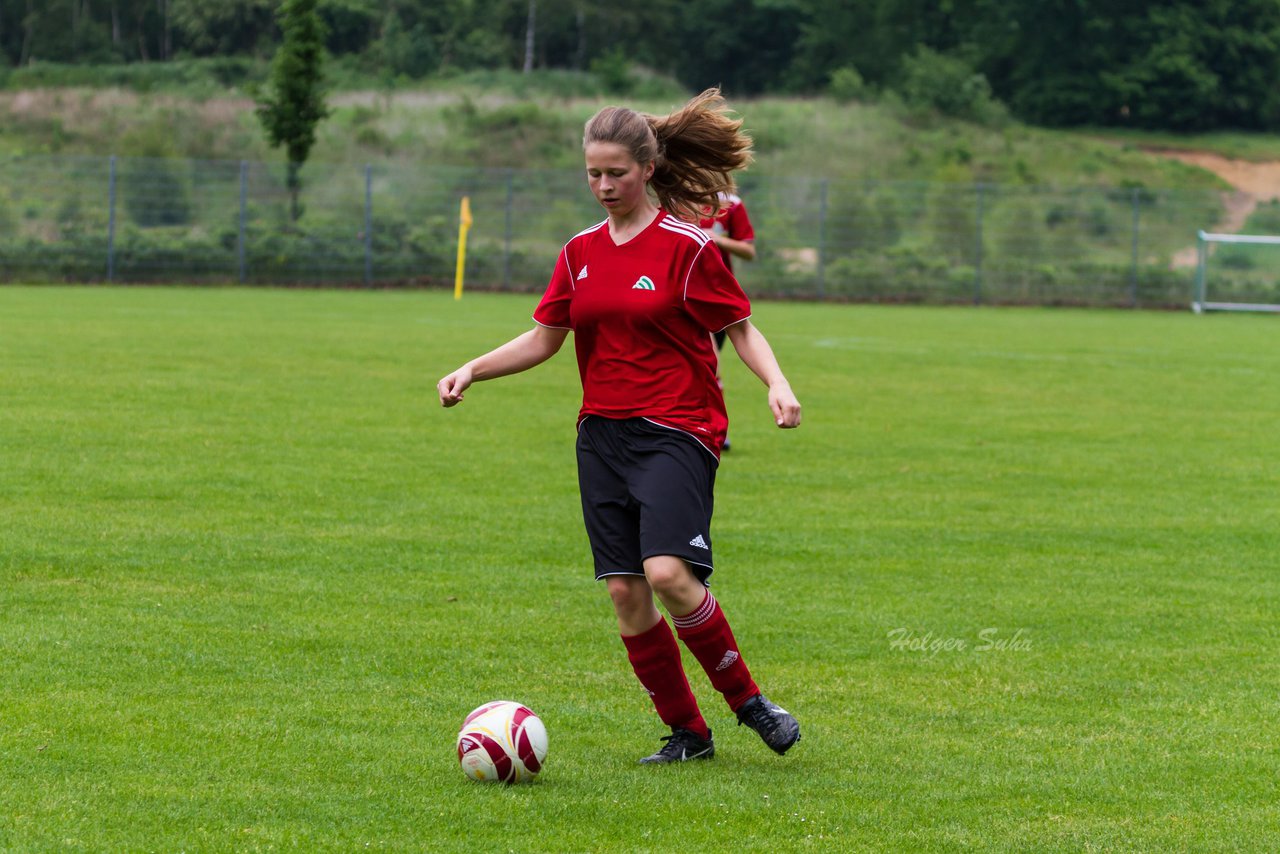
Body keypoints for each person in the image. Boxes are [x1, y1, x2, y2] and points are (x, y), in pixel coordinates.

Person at [437, 88, 802, 764]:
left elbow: (740, 330)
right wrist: (472, 369)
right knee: (627, 594)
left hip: (677, 429)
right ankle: (689, 735)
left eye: (617, 173)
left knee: (667, 573)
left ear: (649, 169)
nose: (604, 186)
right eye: (593, 174)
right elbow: (545, 338)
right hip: (601, 437)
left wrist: (777, 384)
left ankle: (750, 703)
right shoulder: (579, 251)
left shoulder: (688, 247)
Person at [698, 192, 756, 450]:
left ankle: (710, 428)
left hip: (718, 298)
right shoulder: (670, 199)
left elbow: (748, 251)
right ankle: (715, 431)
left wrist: (716, 239)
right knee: (709, 364)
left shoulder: (731, 204)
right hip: (684, 296)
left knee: (704, 368)